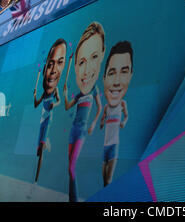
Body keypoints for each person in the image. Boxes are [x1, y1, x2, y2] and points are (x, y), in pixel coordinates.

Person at [64, 22, 105, 202]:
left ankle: (73, 199)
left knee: (72, 166)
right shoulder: (81, 93)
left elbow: (100, 107)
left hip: (81, 131)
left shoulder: (94, 89)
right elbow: (67, 106)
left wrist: (94, 124)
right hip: (73, 131)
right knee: (69, 167)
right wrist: (65, 93)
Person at [33, 38, 68, 182]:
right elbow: (36, 104)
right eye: (51, 63)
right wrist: (35, 95)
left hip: (48, 120)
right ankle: (44, 144)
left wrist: (56, 104)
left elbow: (59, 101)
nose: (53, 70)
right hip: (41, 121)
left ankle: (37, 178)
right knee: (38, 150)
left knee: (41, 150)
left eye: (60, 62)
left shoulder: (54, 91)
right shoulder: (45, 92)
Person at [100, 41, 133, 187]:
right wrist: (101, 122)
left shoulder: (123, 104)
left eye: (124, 72)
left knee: (109, 180)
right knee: (103, 179)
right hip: (105, 146)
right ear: (104, 78)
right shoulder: (107, 107)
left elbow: (126, 116)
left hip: (114, 145)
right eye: (112, 73)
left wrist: (124, 122)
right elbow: (102, 118)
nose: (117, 81)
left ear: (131, 75)